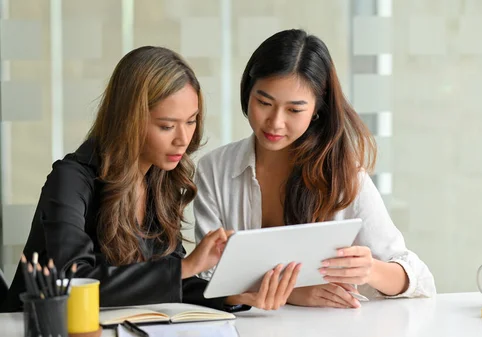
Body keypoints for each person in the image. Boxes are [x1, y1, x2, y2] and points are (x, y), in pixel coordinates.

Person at [1, 46, 299, 313]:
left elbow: (170, 285)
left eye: (191, 121)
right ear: (129, 121)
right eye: (167, 126)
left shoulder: (160, 180)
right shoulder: (70, 180)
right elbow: (74, 281)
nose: (183, 140)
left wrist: (232, 295)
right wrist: (185, 266)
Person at [194, 29, 436, 309]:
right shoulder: (215, 170)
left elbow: (421, 282)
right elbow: (207, 281)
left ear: (316, 110)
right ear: (248, 92)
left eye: (294, 110)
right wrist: (294, 292)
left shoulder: (342, 176)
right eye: (264, 103)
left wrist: (370, 270)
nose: (275, 122)